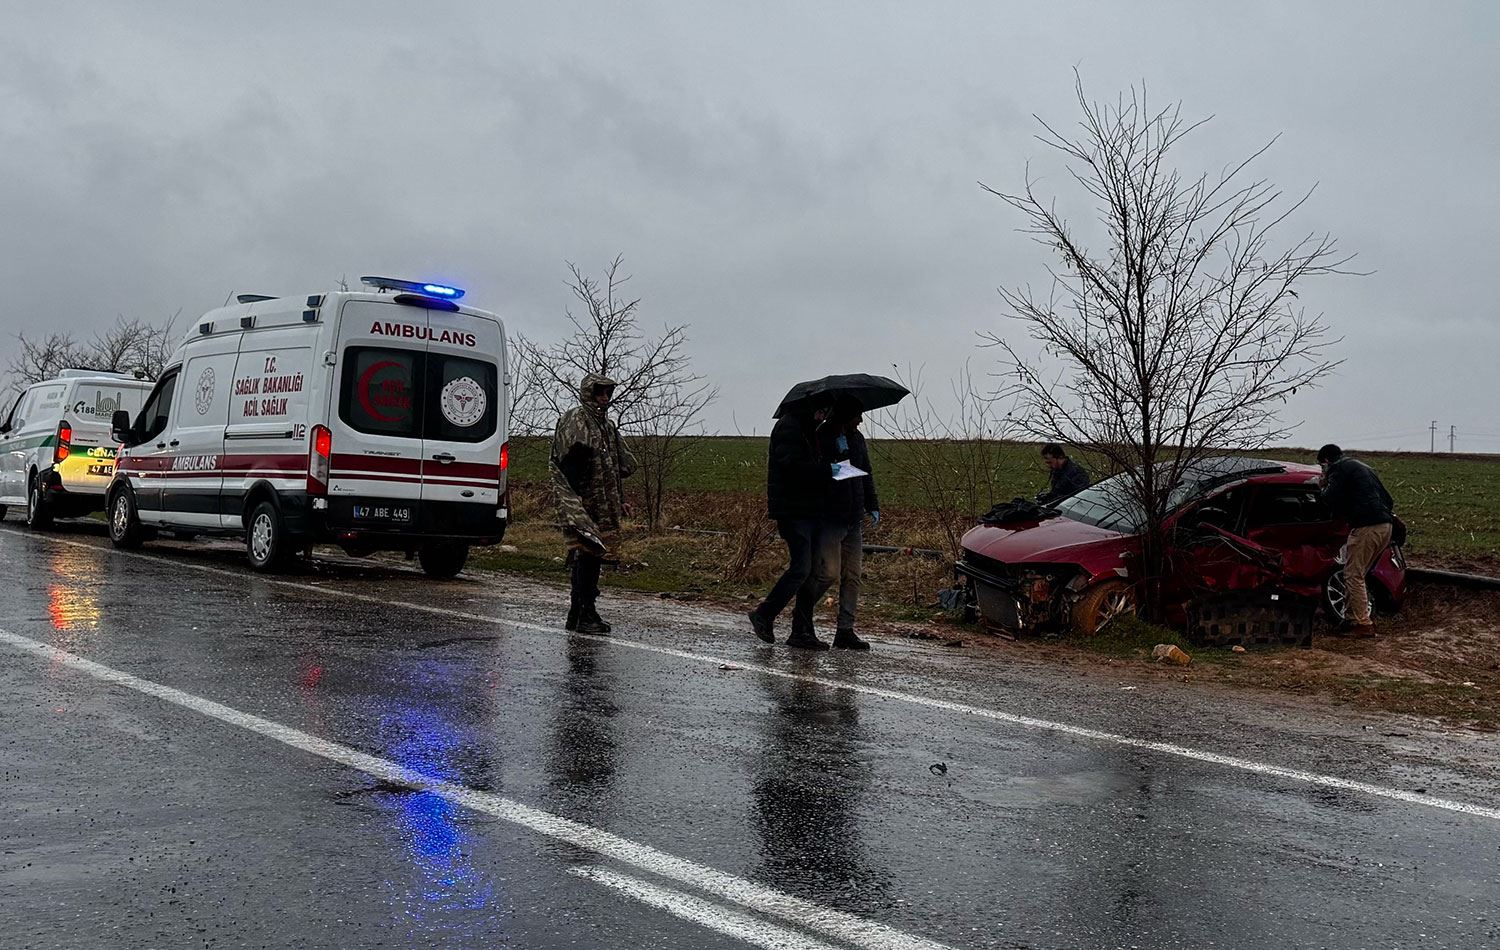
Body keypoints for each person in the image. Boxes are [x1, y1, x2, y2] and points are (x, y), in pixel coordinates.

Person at [551, 373, 637, 635]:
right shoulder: (577, 420)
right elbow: (570, 463)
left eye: (607, 393)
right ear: (590, 392)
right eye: (599, 392)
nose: (604, 398)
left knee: (593, 556)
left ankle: (580, 612)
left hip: (604, 503)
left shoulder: (606, 426)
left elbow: (616, 464)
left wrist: (620, 499)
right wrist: (575, 502)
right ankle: (583, 612)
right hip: (583, 503)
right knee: (586, 555)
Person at [748, 398, 835, 649]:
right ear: (812, 408)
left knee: (811, 570)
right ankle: (765, 613)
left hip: (808, 509)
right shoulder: (790, 427)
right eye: (821, 411)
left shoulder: (806, 428)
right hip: (793, 510)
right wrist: (826, 469)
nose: (823, 417)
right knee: (801, 568)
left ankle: (802, 631)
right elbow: (793, 467)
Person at [806, 398, 879, 650]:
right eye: (857, 415)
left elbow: (865, 471)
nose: (860, 420)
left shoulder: (857, 439)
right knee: (828, 573)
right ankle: (802, 616)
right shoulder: (822, 435)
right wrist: (840, 453)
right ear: (846, 415)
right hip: (831, 517)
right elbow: (822, 473)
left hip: (853, 517)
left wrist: (873, 504)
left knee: (853, 576)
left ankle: (845, 630)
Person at [1317, 443, 1395, 634]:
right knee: (1356, 573)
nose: (1323, 469)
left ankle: (1362, 623)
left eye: (1322, 466)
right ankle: (1350, 619)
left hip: (1366, 527)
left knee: (1352, 575)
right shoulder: (1363, 468)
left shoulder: (1339, 469)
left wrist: (1321, 487)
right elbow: (1389, 500)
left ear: (1326, 460)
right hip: (1385, 526)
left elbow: (1330, 498)